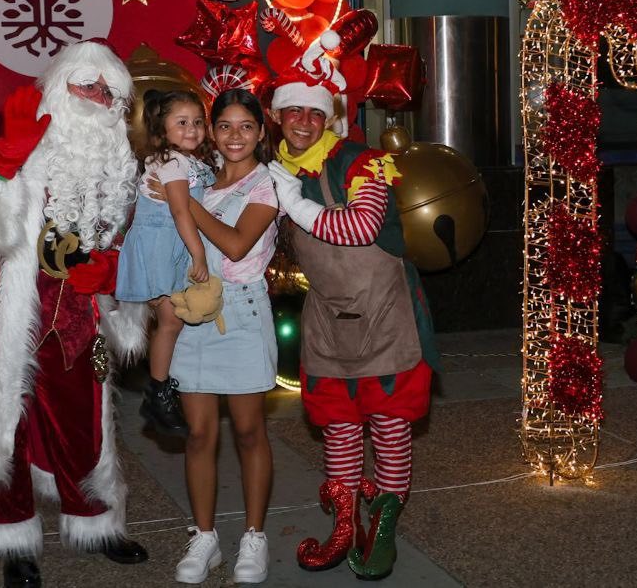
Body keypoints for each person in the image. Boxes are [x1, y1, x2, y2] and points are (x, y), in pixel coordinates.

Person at [0, 40, 150, 588]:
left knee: (83, 419)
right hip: (7, 306)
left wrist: (112, 271)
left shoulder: (118, 156)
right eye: (86, 85)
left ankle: (95, 519)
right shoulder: (9, 125)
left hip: (78, 309)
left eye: (109, 93)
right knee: (6, 424)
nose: (97, 98)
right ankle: (12, 536)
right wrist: (3, 158)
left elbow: (131, 232)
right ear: (59, 84)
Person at [265, 69, 439, 581]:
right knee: (339, 427)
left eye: (315, 113)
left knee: (389, 424)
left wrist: (294, 205)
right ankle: (345, 527)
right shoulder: (275, 171)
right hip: (327, 317)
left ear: (329, 118)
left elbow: (363, 226)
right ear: (276, 116)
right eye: (293, 111)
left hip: (386, 314)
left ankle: (382, 531)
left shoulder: (362, 162)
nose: (304, 121)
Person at [146, 88, 279, 585]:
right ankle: (205, 537)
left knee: (248, 432)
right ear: (212, 132)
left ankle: (254, 536)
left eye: (246, 126)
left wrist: (181, 201)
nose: (234, 136)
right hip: (193, 313)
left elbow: (237, 245)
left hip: (243, 314)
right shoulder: (197, 174)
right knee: (199, 434)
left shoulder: (268, 185)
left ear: (261, 133)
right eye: (224, 126)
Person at [116, 89, 216, 438]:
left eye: (198, 122)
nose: (192, 129)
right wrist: (198, 253)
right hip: (161, 246)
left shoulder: (189, 162)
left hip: (172, 243)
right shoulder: (172, 163)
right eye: (182, 122)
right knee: (170, 321)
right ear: (163, 129)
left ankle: (163, 386)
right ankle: (157, 392)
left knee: (174, 321)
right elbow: (180, 211)